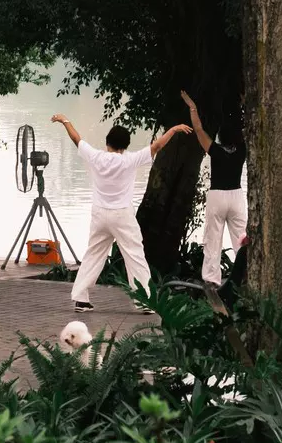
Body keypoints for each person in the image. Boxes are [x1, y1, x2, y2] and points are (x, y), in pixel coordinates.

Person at [51, 113, 191, 312]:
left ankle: (81, 299)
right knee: (134, 256)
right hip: (122, 215)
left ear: (107, 142)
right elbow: (157, 146)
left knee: (93, 254)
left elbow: (76, 138)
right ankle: (144, 300)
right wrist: (173, 129)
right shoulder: (130, 160)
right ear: (125, 145)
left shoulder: (96, 156)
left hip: (100, 214)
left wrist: (65, 121)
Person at [182, 91, 248, 286]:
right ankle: (246, 274)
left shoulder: (215, 150)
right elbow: (247, 128)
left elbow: (199, 128)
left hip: (217, 196)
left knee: (213, 240)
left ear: (220, 135)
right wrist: (244, 106)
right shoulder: (242, 150)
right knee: (241, 238)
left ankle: (212, 280)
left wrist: (193, 108)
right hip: (236, 196)